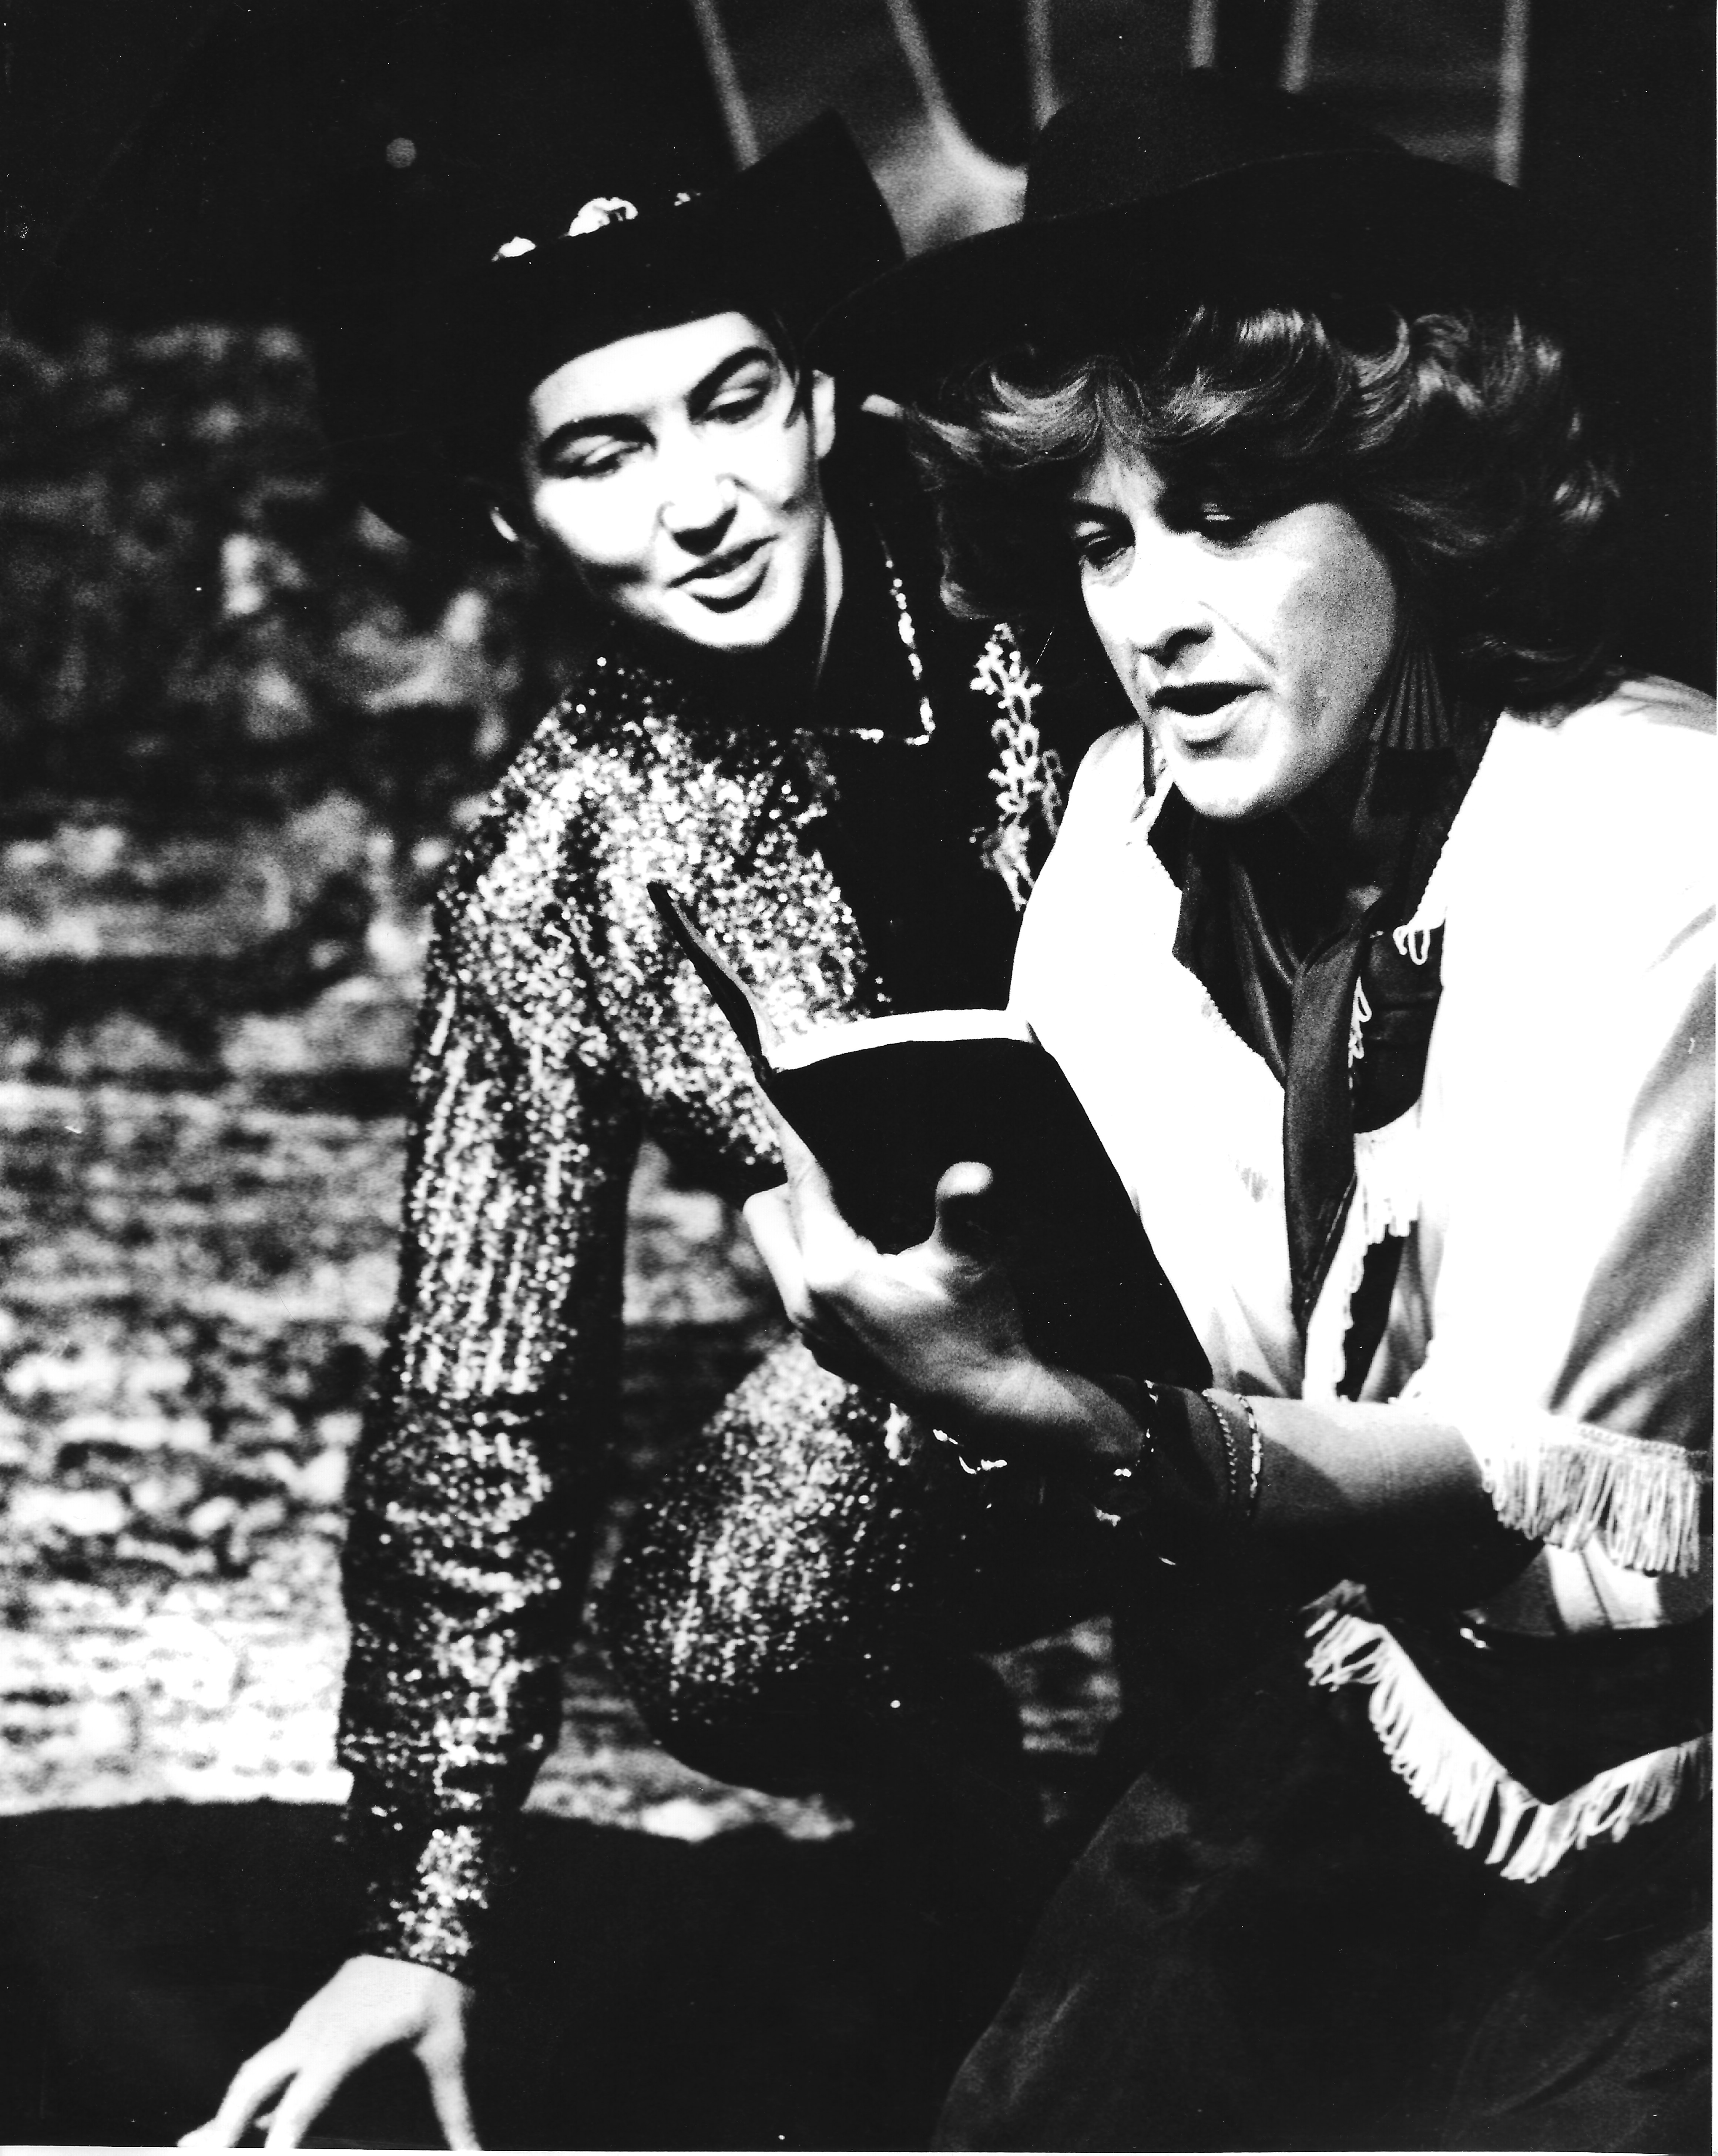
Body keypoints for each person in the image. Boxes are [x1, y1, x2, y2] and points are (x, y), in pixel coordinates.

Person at [752, 67, 1713, 2152]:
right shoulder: (1126, 833)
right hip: (1330, 1711)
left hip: (1660, 1810)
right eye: (1098, 536)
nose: (1150, 614)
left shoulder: (1658, 827)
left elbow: (1515, 1474)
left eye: (1221, 513)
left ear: (1416, 504)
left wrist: (1077, 1422)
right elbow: (1194, 1350)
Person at [180, 84, 1101, 2155]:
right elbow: (480, 1385)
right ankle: (971, 1847)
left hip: (1314, 1245)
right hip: (969, 1346)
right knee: (717, 1626)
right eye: (602, 452)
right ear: (513, 514)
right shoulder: (559, 861)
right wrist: (416, 1919)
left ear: (821, 396)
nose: (700, 501)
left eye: (734, 406)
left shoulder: (1066, 572)